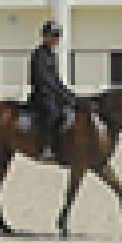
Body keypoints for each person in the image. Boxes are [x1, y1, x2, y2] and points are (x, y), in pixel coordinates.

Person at [27, 19, 78, 160]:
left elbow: (56, 79)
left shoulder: (51, 55)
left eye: (57, 36)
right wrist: (59, 92)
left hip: (51, 94)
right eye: (53, 35)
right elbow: (44, 79)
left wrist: (68, 94)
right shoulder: (39, 54)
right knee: (53, 112)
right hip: (41, 94)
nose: (56, 39)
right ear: (45, 36)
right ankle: (45, 148)